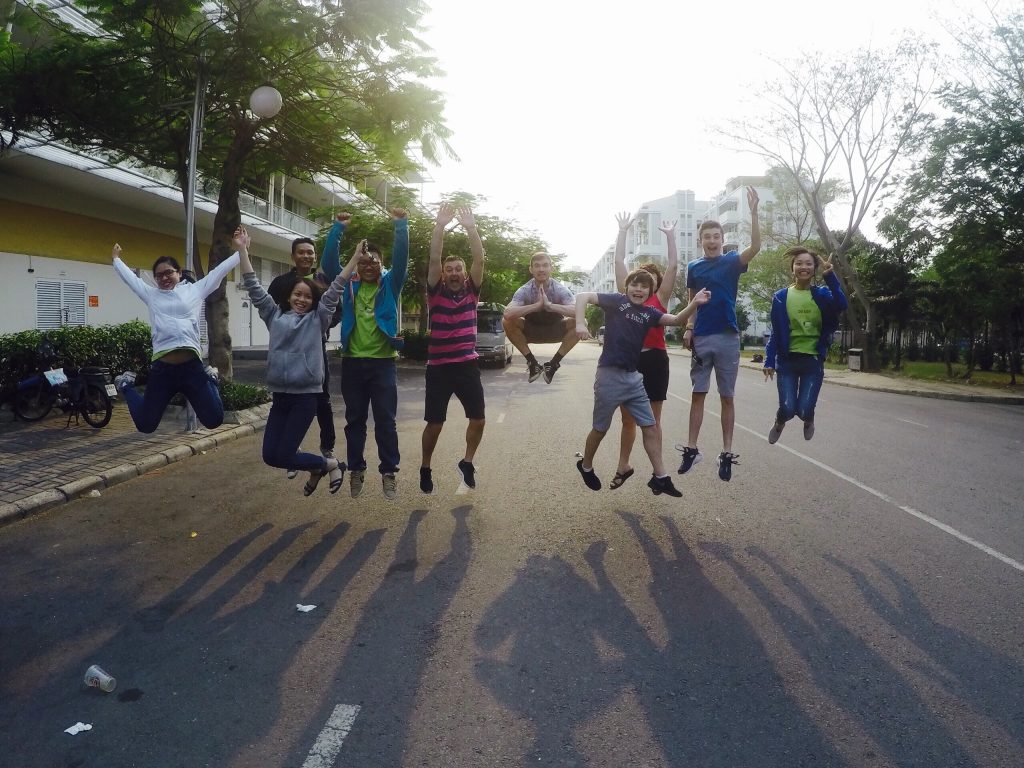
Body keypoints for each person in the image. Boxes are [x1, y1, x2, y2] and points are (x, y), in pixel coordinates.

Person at [573, 271, 711, 496]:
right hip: (609, 376)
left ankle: (660, 477)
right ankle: (586, 466)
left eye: (644, 287)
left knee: (650, 425)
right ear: (626, 288)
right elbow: (582, 296)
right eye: (634, 285)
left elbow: (675, 320)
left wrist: (695, 303)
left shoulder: (649, 313)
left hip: (633, 378)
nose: (638, 289)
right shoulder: (616, 302)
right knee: (600, 429)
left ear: (650, 292)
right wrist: (580, 323)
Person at [234, 226, 346, 494]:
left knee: (289, 447)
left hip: (304, 394)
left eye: (307, 296)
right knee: (271, 456)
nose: (301, 299)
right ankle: (320, 466)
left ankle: (329, 462)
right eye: (297, 295)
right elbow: (253, 286)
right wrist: (242, 249)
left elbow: (335, 293)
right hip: (280, 396)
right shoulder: (275, 315)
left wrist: (351, 257)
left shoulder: (317, 317)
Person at [321, 207, 408, 500]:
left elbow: (402, 258)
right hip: (353, 363)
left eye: (374, 261)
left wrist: (400, 225)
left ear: (381, 264)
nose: (368, 266)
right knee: (355, 420)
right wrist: (339, 230)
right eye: (364, 261)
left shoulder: (390, 284)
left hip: (383, 364)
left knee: (386, 420)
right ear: (358, 264)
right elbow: (329, 264)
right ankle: (356, 470)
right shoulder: (350, 286)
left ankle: (389, 472)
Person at [678, 185, 761, 482]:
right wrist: (688, 328)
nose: (712, 241)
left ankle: (726, 452)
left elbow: (756, 247)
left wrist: (753, 213)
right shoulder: (694, 266)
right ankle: (692, 448)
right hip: (701, 336)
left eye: (716, 237)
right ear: (700, 241)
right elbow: (691, 300)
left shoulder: (731, 261)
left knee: (727, 396)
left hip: (728, 335)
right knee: (698, 393)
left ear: (722, 240)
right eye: (707, 237)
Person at [111, 244, 238, 433]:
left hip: (192, 368)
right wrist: (116, 259)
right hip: (164, 371)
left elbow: (218, 272)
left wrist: (240, 252)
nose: (164, 278)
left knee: (214, 420)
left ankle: (211, 379)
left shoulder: (194, 290)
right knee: (146, 425)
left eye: (168, 273)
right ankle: (126, 385)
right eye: (159, 275)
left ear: (179, 273)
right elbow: (131, 280)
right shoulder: (152, 295)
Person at [267, 226, 346, 479]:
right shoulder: (280, 283)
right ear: (293, 256)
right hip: (285, 352)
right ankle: (294, 454)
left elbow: (337, 310)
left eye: (311, 253)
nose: (307, 257)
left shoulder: (323, 281)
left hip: (315, 347)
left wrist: (318, 328)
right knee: (286, 400)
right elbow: (269, 308)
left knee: (322, 400)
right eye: (302, 253)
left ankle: (327, 448)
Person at [609, 212, 679, 490]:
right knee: (627, 419)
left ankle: (658, 473)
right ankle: (623, 465)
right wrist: (623, 231)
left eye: (648, 278)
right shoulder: (625, 299)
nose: (640, 283)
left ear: (655, 283)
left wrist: (671, 236)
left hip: (656, 361)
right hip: (630, 362)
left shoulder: (660, 300)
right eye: (636, 279)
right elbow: (617, 261)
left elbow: (674, 265)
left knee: (653, 419)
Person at [419, 203, 486, 494]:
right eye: (450, 269)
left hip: (466, 365)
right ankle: (425, 466)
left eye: (459, 268)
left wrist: (471, 228)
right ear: (444, 274)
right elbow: (434, 257)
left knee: (479, 418)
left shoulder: (472, 291)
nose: (455, 272)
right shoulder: (436, 292)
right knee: (435, 423)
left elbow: (480, 259)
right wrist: (439, 226)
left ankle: (467, 462)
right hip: (438, 368)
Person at [763, 247, 847, 443]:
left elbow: (841, 304)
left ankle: (809, 420)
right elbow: (776, 332)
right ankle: (779, 422)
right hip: (787, 361)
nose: (803, 267)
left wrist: (830, 276)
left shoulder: (822, 294)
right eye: (799, 263)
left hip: (812, 361)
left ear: (814, 269)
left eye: (808, 264)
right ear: (792, 268)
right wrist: (768, 360)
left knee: (804, 410)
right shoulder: (780, 297)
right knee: (788, 408)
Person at [502, 252, 579, 384]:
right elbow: (507, 313)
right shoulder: (524, 290)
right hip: (531, 331)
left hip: (555, 330)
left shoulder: (560, 290)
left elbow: (578, 311)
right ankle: (532, 363)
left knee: (580, 322)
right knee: (508, 322)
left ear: (551, 268)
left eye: (545, 265)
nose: (541, 269)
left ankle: (553, 364)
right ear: (531, 269)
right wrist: (536, 306)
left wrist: (550, 306)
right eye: (537, 266)